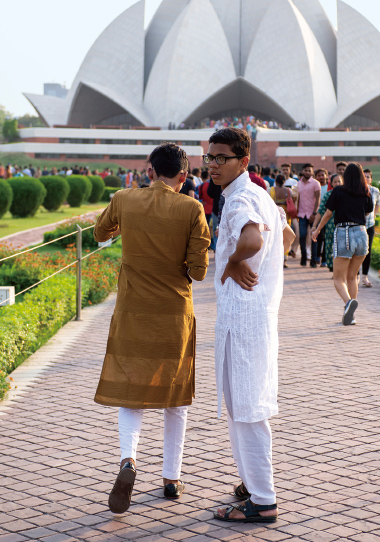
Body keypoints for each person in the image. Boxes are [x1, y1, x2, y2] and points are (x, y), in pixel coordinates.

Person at [93, 143, 210, 514]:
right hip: (174, 312)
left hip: (133, 310)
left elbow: (100, 233)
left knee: (131, 389)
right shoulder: (192, 208)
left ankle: (128, 460)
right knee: (175, 396)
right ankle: (171, 478)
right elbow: (198, 270)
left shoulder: (125, 199)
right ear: (184, 176)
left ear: (149, 171)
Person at [203, 127, 295, 523]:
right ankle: (251, 483)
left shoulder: (241, 197)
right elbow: (287, 235)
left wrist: (235, 261)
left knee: (246, 409)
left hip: (244, 320)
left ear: (243, 161)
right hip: (257, 317)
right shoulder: (260, 193)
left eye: (222, 158)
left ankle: (262, 498)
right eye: (210, 157)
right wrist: (270, 273)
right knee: (246, 403)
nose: (213, 165)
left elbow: (254, 240)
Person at [312, 163, 373, 325]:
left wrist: (317, 230)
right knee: (353, 277)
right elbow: (367, 212)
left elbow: (328, 213)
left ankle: (348, 303)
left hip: (344, 233)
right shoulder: (366, 192)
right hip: (361, 233)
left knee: (338, 278)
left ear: (345, 175)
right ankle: (351, 315)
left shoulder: (338, 191)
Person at [311, 174, 343, 272]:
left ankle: (338, 270)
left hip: (343, 227)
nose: (337, 184)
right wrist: (314, 226)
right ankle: (332, 266)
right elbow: (321, 211)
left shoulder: (346, 195)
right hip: (330, 226)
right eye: (335, 182)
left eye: (339, 181)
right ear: (331, 184)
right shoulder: (328, 195)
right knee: (329, 247)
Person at [297, 163, 321, 267]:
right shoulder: (298, 184)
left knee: (314, 237)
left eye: (309, 170)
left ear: (312, 172)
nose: (307, 172)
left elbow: (318, 199)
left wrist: (314, 213)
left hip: (313, 214)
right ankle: (303, 257)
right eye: (305, 170)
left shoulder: (316, 183)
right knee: (302, 235)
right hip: (302, 214)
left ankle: (313, 260)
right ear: (302, 171)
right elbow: (297, 198)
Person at [270, 174, 293, 268]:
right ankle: (284, 259)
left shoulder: (271, 190)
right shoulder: (288, 191)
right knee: (286, 236)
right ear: (284, 181)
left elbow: (270, 202)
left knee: (275, 237)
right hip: (286, 215)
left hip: (275, 214)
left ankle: (275, 259)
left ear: (275, 181)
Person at [361, 169, 380, 287]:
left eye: (368, 177)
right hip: (358, 225)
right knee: (357, 251)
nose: (366, 179)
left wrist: (374, 215)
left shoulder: (375, 191)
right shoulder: (357, 190)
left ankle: (365, 276)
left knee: (367, 251)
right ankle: (355, 276)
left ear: (371, 179)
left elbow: (378, 203)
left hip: (370, 225)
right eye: (364, 176)